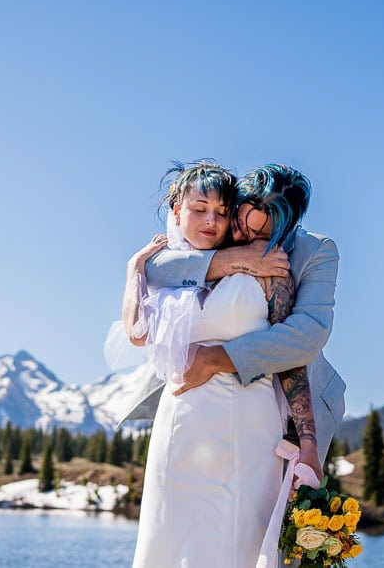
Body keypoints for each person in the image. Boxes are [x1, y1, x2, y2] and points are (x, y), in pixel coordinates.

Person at [124, 162, 324, 567]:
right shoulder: (174, 266)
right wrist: (134, 268)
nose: (251, 239)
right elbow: (138, 329)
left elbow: (289, 356)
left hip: (249, 423)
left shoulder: (274, 272)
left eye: (263, 235)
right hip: (181, 420)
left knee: (236, 542)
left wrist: (307, 440)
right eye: (244, 225)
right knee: (171, 535)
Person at [134, 163, 346, 468]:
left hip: (284, 404)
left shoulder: (317, 252)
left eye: (259, 233)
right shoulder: (220, 227)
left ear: (283, 230)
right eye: (240, 221)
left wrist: (214, 358)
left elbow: (306, 335)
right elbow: (157, 269)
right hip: (190, 413)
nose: (240, 234)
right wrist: (235, 258)